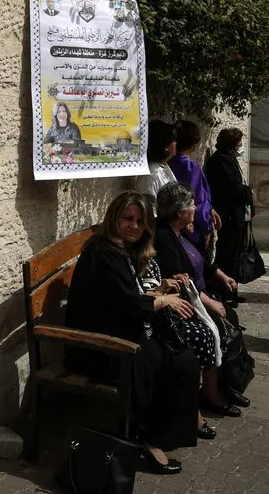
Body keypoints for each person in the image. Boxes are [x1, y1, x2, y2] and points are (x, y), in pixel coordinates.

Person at [64, 191, 201, 475]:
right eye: (127, 218)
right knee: (156, 358)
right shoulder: (102, 252)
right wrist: (161, 301)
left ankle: (164, 433)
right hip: (96, 348)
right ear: (114, 218)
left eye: (140, 221)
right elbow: (125, 303)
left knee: (183, 358)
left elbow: (123, 297)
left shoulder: (121, 251)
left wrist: (156, 292)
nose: (134, 226)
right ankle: (144, 439)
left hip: (117, 331)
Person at [154, 183, 247, 415]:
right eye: (192, 205)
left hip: (196, 295)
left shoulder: (179, 231)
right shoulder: (164, 237)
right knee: (218, 327)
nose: (195, 208)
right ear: (180, 212)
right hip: (181, 303)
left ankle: (230, 384)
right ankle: (212, 394)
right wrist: (211, 303)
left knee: (230, 318)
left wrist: (221, 275)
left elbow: (200, 262)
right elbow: (182, 283)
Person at [204, 127, 254, 283]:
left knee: (234, 252)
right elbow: (232, 187)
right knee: (228, 252)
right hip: (229, 214)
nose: (240, 147)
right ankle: (224, 287)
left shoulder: (227, 158)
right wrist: (248, 192)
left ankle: (231, 286)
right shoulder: (221, 160)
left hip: (235, 213)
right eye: (238, 143)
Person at [167, 120, 221, 255]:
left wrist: (211, 209)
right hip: (192, 229)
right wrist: (206, 228)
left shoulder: (167, 163)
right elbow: (195, 198)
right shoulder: (190, 167)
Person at [138, 120, 178, 204]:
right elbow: (149, 210)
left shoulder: (162, 166)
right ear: (166, 146)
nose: (176, 143)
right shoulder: (151, 176)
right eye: (173, 140)